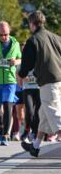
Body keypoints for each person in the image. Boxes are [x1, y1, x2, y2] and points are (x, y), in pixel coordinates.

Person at [18, 10, 61, 157]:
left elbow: (26, 64)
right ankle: (35, 146)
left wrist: (21, 74)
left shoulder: (33, 40)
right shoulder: (55, 37)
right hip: (59, 79)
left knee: (53, 112)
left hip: (48, 81)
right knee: (44, 113)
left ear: (31, 24)